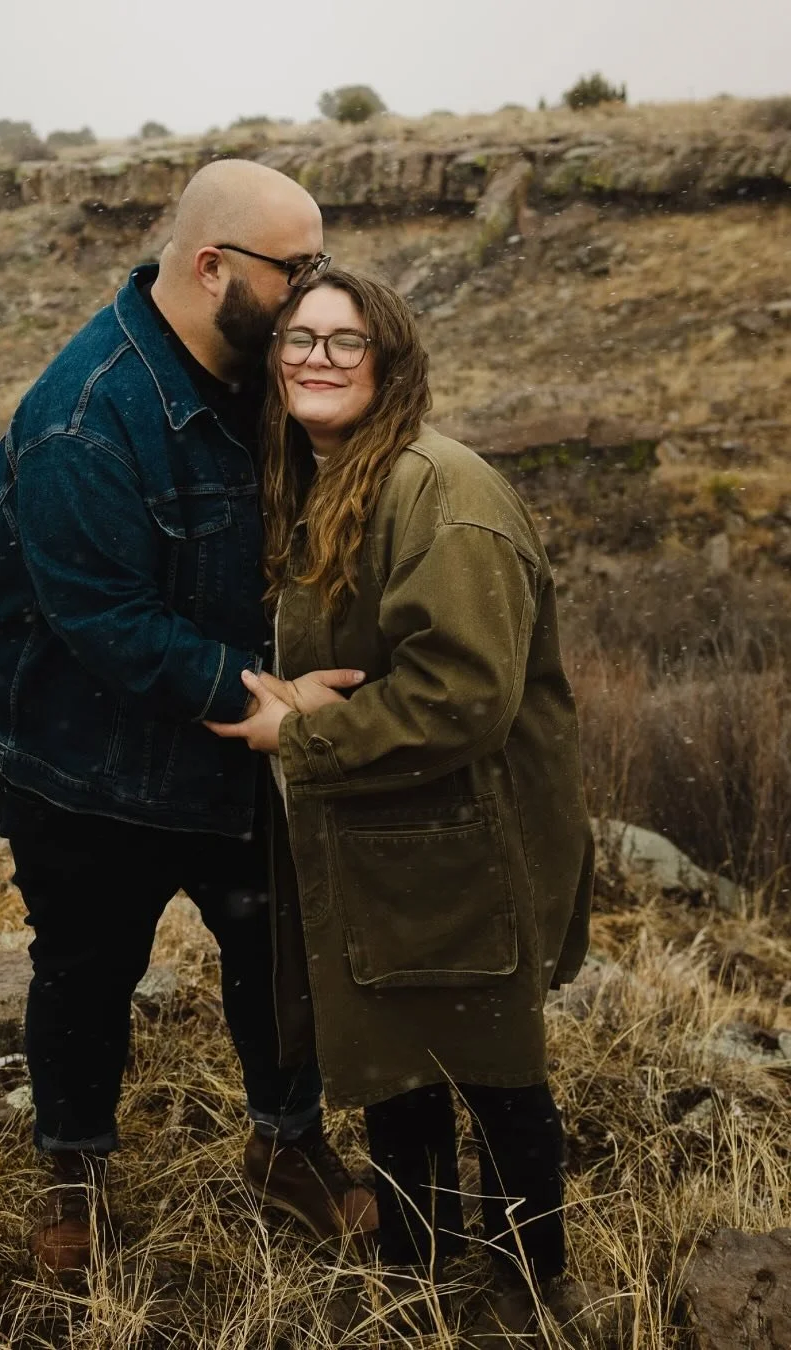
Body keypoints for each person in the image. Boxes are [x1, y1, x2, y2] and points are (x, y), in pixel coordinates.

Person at [0, 161, 378, 1273]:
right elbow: (107, 621)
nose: (313, 295)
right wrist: (270, 699)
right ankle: (74, 1174)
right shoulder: (84, 421)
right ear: (212, 268)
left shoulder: (255, 369)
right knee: (87, 966)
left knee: (270, 941)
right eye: (299, 271)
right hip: (78, 756)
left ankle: (287, 1148)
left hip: (228, 740)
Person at [207, 269, 596, 1334]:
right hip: (392, 849)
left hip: (469, 850)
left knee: (496, 1077)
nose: (314, 359)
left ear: (391, 361)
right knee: (397, 1067)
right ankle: (420, 1283)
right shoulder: (327, 479)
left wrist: (306, 732)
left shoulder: (443, 493)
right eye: (299, 338)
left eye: (345, 342)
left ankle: (528, 1294)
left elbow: (466, 694)